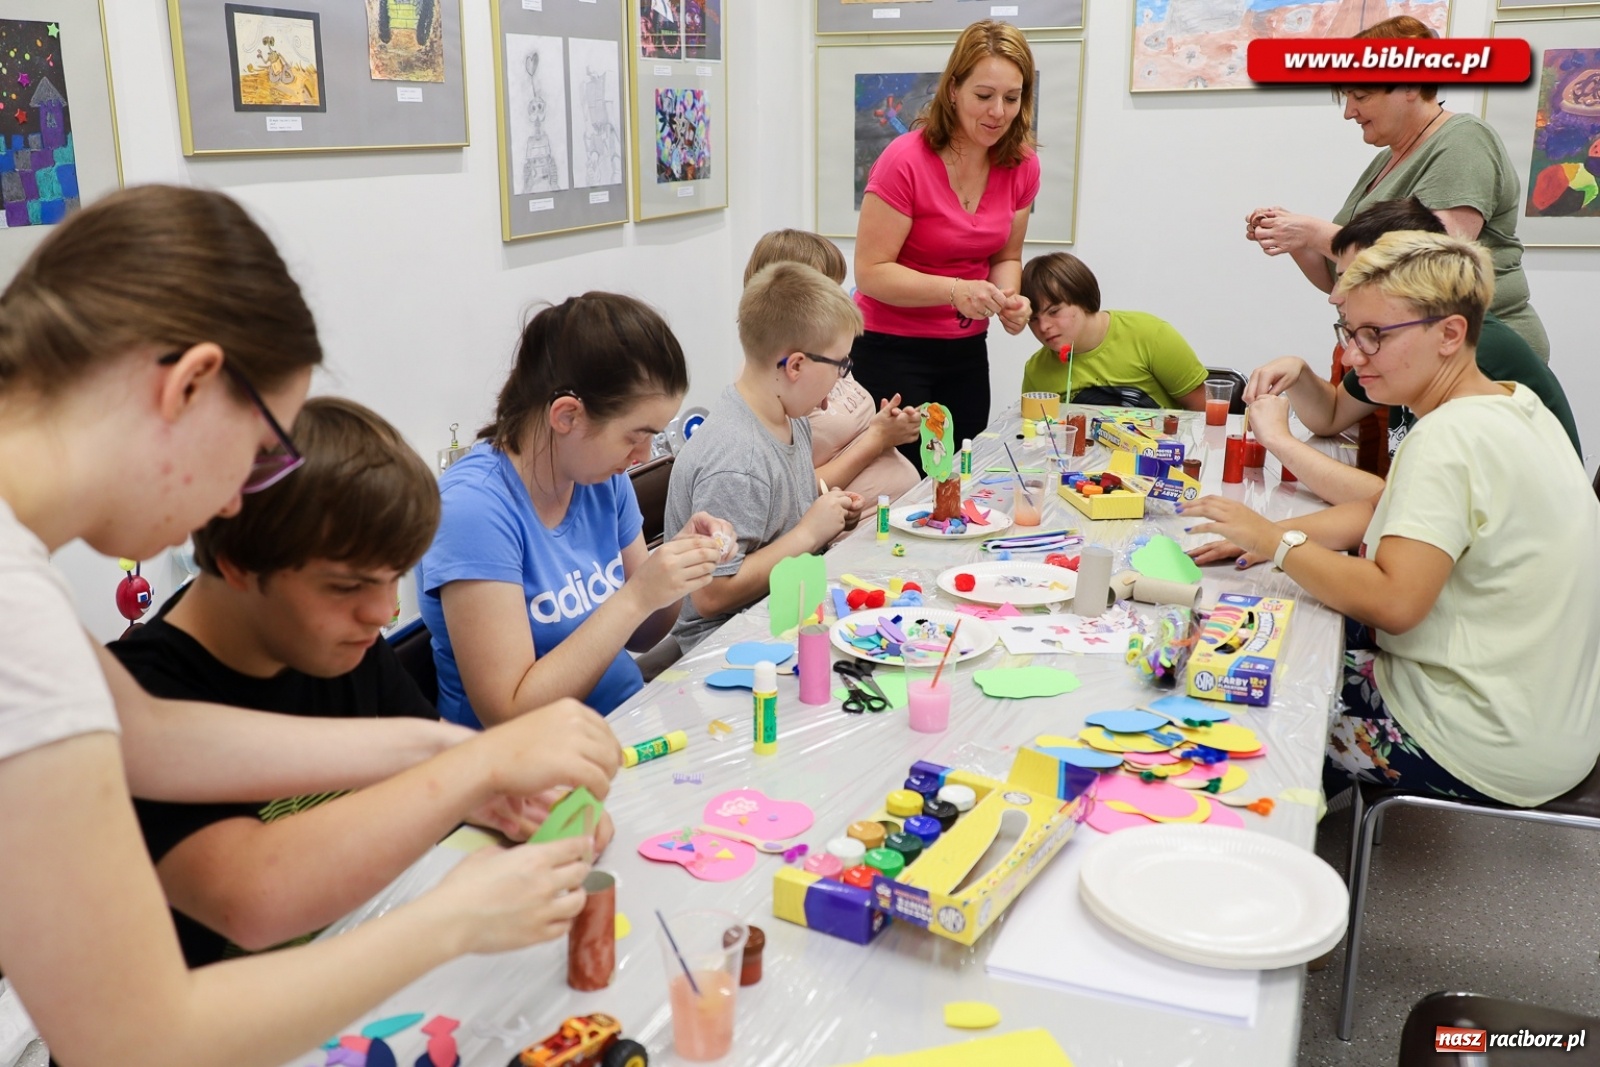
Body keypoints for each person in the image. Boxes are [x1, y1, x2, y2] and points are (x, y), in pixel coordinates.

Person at [0, 185, 619, 1067]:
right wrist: (451, 919)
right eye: (260, 454)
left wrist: (457, 758)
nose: (235, 502)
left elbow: (149, 735)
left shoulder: (21, 571)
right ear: (189, 384)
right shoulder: (15, 610)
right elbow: (137, 1039)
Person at [111, 396, 615, 968]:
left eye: (394, 578)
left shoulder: (341, 643)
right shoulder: (138, 697)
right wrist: (475, 773)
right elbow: (251, 901)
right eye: (348, 586)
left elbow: (433, 770)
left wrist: (517, 802)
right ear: (238, 564)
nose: (382, 613)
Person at [1182, 232, 1600, 807]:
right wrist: (1276, 535)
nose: (1354, 357)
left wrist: (1277, 546)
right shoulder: (1517, 404)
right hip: (1553, 722)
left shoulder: (1448, 437)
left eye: (1374, 336)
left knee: (1245, 700)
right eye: (1350, 333)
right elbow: (1387, 507)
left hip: (1481, 741)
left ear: (1449, 334)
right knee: (1293, 632)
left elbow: (1394, 603)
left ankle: (1262, 837)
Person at [419, 293, 734, 725]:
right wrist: (637, 595)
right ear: (566, 416)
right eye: (635, 436)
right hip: (527, 753)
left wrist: (679, 567)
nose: (643, 455)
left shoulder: (602, 479)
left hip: (624, 720)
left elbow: (643, 636)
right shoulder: (473, 510)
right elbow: (509, 712)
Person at [1238, 198, 1579, 508]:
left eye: (1353, 278)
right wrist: (1299, 372)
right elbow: (1332, 415)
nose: (1335, 295)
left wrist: (1280, 441)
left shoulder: (1471, 355)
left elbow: (1394, 505)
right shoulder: (1406, 341)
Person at [1245, 16, 1549, 361]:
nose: (1349, 112)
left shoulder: (1464, 140)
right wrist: (1295, 239)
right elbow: (1343, 279)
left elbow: (1432, 261)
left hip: (1475, 348)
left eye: (1360, 96)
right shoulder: (1387, 160)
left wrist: (1314, 233)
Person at [851, 19, 1039, 460]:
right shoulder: (904, 160)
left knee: (961, 476)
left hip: (966, 350)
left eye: (1011, 98)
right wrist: (955, 291)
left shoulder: (1022, 164)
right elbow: (871, 273)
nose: (998, 112)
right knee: (905, 484)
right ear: (952, 89)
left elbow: (1006, 257)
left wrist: (1008, 299)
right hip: (889, 347)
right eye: (984, 96)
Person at [666, 262, 866, 651]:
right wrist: (810, 533)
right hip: (726, 642)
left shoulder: (791, 417)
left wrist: (829, 514)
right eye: (840, 364)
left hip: (785, 607)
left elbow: (774, 523)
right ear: (796, 365)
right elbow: (712, 596)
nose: (842, 377)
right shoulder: (738, 461)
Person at [743, 229, 921, 503]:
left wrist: (885, 425)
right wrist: (877, 439)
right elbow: (793, 492)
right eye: (826, 289)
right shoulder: (780, 383)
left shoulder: (824, 353)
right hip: (855, 524)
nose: (840, 299)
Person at [1018, 252, 1209, 411]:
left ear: (1082, 299)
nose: (1043, 327)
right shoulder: (1036, 370)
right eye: (1033, 319)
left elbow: (1204, 412)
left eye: (1054, 312)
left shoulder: (1151, 335)